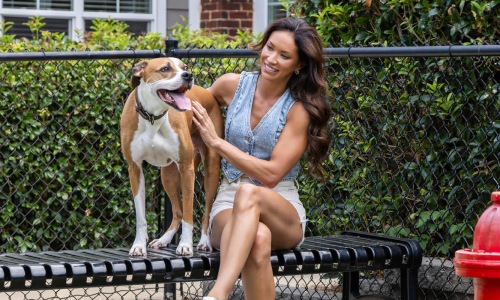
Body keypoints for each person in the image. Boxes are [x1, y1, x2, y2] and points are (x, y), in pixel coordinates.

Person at [191, 17, 331, 300]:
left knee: (250, 192)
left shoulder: (299, 109)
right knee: (257, 239)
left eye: (284, 55)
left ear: (299, 65)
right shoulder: (231, 86)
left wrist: (217, 143)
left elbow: (271, 174)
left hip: (280, 206)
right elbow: (191, 107)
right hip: (227, 206)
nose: (271, 58)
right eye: (269, 47)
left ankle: (218, 294)